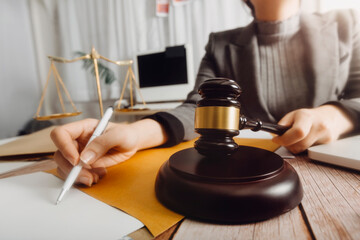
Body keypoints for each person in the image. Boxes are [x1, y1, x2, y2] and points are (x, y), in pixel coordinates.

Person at [50, 0, 360, 186]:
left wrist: (331, 117)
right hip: (239, 176)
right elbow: (197, 108)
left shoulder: (348, 24)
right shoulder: (221, 44)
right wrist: (135, 132)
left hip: (335, 178)